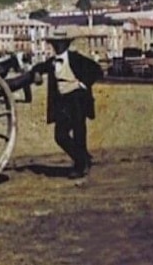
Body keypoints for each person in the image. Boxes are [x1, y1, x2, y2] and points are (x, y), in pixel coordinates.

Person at [31, 29, 104, 179]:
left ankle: (80, 167)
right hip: (62, 102)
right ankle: (83, 159)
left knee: (79, 133)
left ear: (66, 44)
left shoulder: (76, 59)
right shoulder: (51, 62)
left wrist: (83, 84)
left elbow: (97, 70)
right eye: (55, 44)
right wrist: (36, 73)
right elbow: (38, 68)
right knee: (60, 136)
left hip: (77, 99)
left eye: (60, 44)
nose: (57, 47)